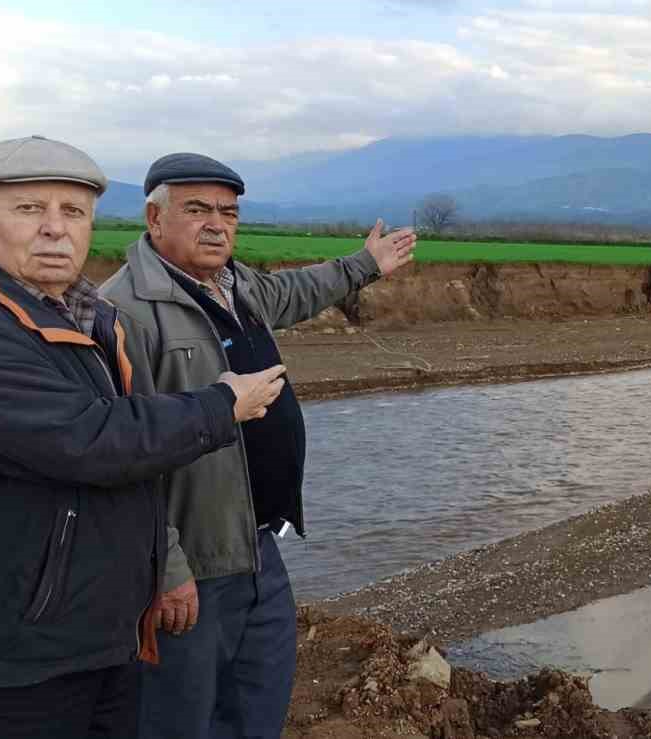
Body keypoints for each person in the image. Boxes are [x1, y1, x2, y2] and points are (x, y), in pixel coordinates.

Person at [0, 136, 289, 739]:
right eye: (30, 209)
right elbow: (90, 441)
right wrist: (222, 404)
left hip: (95, 632)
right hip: (10, 650)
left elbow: (127, 468)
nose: (55, 230)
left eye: (73, 212)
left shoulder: (72, 312)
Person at [99, 152, 417, 738]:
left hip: (258, 542)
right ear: (154, 217)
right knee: (179, 717)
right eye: (197, 210)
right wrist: (165, 567)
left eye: (229, 212)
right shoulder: (123, 311)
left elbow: (296, 290)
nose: (217, 224)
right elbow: (123, 454)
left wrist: (364, 264)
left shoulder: (235, 285)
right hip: (190, 564)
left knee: (256, 706)